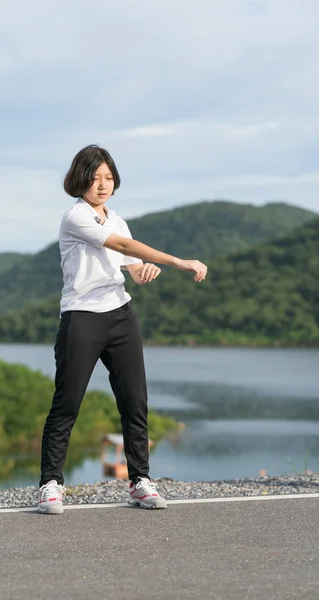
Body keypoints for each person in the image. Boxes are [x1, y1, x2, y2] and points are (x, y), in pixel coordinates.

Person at [38, 144, 207, 514]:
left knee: (135, 400)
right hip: (81, 317)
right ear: (79, 180)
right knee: (67, 402)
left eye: (109, 178)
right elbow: (125, 245)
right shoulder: (75, 217)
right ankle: (51, 484)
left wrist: (144, 270)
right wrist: (178, 261)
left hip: (121, 315)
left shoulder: (117, 219)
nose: (102, 184)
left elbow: (130, 262)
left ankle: (139, 482)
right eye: (95, 178)